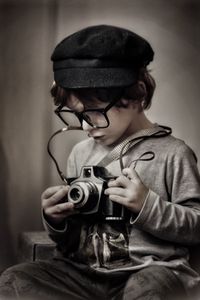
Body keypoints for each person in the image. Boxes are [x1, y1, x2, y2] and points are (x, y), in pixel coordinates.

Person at [0, 24, 200, 300]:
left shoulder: (173, 154)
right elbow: (69, 243)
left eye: (94, 113)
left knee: (149, 289)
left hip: (149, 273)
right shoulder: (80, 153)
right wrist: (56, 220)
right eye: (76, 115)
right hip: (83, 275)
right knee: (13, 281)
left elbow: (197, 226)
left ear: (137, 94)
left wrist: (148, 207)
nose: (85, 126)